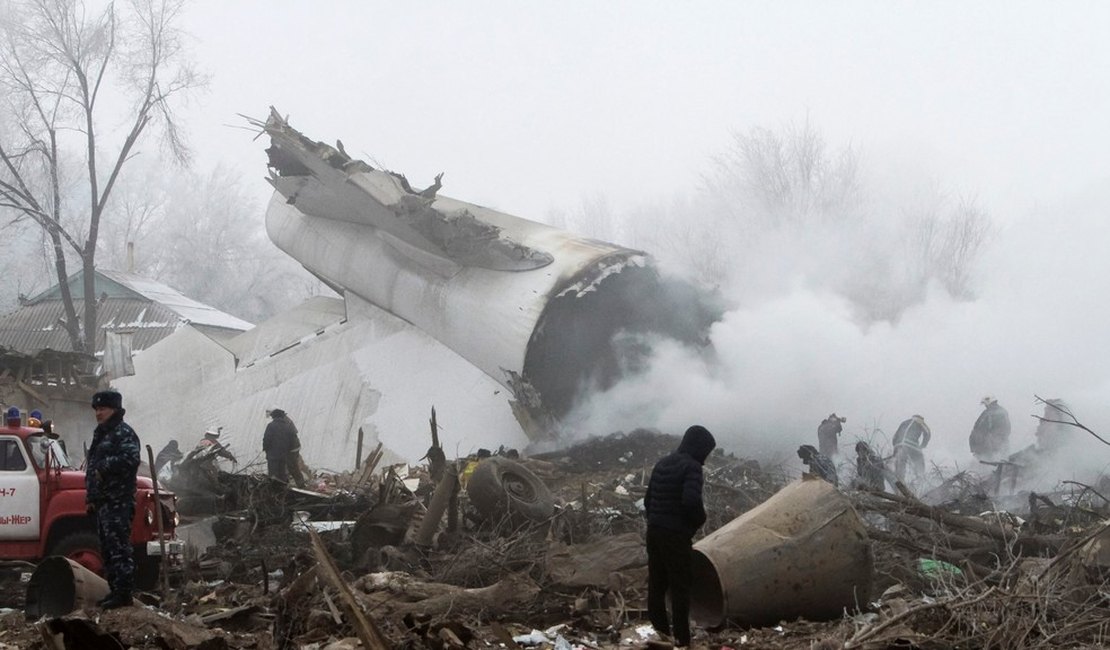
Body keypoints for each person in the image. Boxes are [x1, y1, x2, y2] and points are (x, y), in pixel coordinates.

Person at [644, 425, 716, 649]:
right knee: (680, 586)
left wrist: (657, 518)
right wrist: (697, 522)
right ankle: (682, 640)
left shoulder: (662, 463)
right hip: (675, 534)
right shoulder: (692, 467)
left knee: (657, 583)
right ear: (699, 447)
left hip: (654, 531)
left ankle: (661, 634)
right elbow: (691, 501)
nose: (706, 457)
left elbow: (647, 500)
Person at [86, 390, 140, 609]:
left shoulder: (123, 433)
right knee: (107, 548)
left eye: (103, 409)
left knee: (119, 547)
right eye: (97, 409)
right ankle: (114, 590)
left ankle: (124, 593)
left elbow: (131, 459)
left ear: (115, 409)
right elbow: (91, 467)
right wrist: (90, 496)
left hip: (118, 500)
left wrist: (105, 467)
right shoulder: (101, 434)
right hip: (103, 501)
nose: (99, 413)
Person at [263, 409, 305, 487]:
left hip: (274, 455)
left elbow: (266, 440)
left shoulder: (271, 426)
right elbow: (290, 438)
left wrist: (266, 450)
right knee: (283, 473)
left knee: (275, 474)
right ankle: (284, 488)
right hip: (284, 454)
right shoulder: (286, 425)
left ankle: (274, 490)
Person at [969, 396, 1011, 461]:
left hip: (988, 447)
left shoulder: (987, 413)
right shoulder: (1003, 411)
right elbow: (1008, 429)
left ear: (988, 402)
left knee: (985, 467)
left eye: (985, 404)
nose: (985, 406)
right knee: (1001, 464)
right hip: (1003, 445)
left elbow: (978, 430)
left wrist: (974, 447)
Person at [893, 415, 931, 483]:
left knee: (900, 467)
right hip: (912, 446)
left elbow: (895, 436)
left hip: (900, 445)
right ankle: (921, 482)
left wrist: (895, 448)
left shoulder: (904, 422)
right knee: (919, 465)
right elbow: (927, 433)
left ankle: (899, 483)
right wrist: (923, 445)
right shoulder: (920, 422)